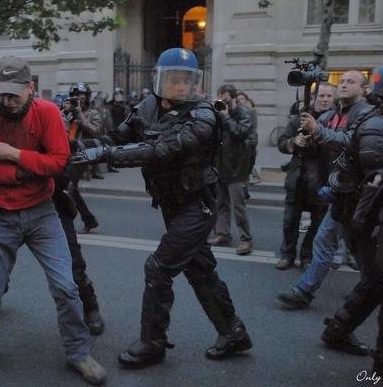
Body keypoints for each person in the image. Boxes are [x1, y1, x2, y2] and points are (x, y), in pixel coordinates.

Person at [70, 48, 252, 369]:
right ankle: (233, 332)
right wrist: (83, 147)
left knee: (159, 267)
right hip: (170, 203)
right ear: (160, 78)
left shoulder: (204, 114)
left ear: (195, 83)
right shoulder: (149, 104)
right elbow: (117, 135)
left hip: (197, 205)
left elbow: (160, 149)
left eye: (185, 80)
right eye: (173, 79)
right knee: (200, 271)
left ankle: (153, 342)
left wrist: (104, 156)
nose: (178, 86)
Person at [0, 56, 107, 385]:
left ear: (31, 88)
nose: (7, 101)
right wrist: (19, 173)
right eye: (2, 93)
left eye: (15, 93)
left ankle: (78, 352)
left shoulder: (47, 113)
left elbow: (58, 162)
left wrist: (13, 155)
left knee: (67, 288)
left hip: (42, 213)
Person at [325, 61, 383, 374]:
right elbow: (379, 178)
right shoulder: (380, 126)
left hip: (367, 217)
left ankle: (337, 331)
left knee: (377, 281)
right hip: (366, 217)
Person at [277, 71, 374, 310]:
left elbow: (351, 142)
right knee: (325, 241)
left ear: (363, 89)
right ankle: (304, 291)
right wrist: (300, 140)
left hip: (360, 194)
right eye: (341, 81)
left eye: (351, 81)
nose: (344, 84)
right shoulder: (330, 115)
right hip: (340, 191)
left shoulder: (367, 115)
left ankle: (374, 285)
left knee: (360, 247)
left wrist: (316, 131)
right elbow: (311, 141)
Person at [275, 84, 336, 270]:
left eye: (328, 96)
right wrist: (294, 142)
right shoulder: (298, 119)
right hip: (298, 179)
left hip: (322, 180)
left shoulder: (335, 120)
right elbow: (282, 143)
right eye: (321, 95)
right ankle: (287, 255)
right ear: (313, 98)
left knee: (317, 224)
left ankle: (307, 256)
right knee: (290, 221)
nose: (325, 99)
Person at [208, 84, 254, 255]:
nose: (224, 103)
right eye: (221, 100)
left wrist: (226, 116)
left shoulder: (245, 113)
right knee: (221, 204)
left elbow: (241, 132)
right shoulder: (219, 114)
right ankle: (223, 234)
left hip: (237, 168)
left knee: (238, 207)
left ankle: (246, 239)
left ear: (234, 98)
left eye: (226, 99)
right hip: (221, 166)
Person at [62, 83, 102, 233]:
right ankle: (89, 219)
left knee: (69, 187)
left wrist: (80, 115)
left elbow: (95, 132)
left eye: (82, 98)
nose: (79, 101)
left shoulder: (93, 113)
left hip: (84, 153)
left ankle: (71, 221)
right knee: (69, 187)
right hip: (67, 153)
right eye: (76, 98)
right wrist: (63, 112)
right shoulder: (67, 111)